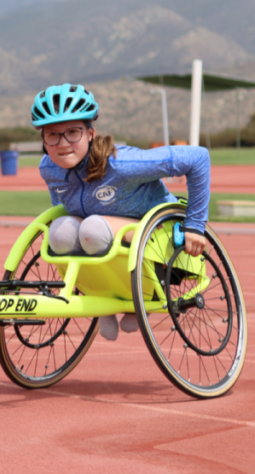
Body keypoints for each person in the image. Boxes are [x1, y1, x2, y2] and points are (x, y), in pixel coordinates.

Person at [32, 83, 211, 341]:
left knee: (92, 228)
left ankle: (143, 293)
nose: (62, 144)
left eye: (73, 132)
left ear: (90, 133)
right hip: (103, 237)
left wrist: (195, 226)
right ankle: (100, 297)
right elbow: (63, 207)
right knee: (59, 232)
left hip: (159, 238)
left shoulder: (122, 164)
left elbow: (198, 158)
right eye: (52, 135)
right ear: (43, 139)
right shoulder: (49, 168)